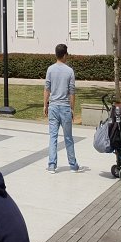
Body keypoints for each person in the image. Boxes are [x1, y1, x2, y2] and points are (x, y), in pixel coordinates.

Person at [44, 43, 80, 173]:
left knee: (53, 137)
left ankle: (52, 165)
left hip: (53, 106)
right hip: (65, 107)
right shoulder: (69, 71)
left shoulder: (50, 69)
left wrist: (45, 104)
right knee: (68, 137)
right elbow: (72, 92)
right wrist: (72, 108)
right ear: (64, 55)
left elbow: (47, 88)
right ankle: (73, 165)